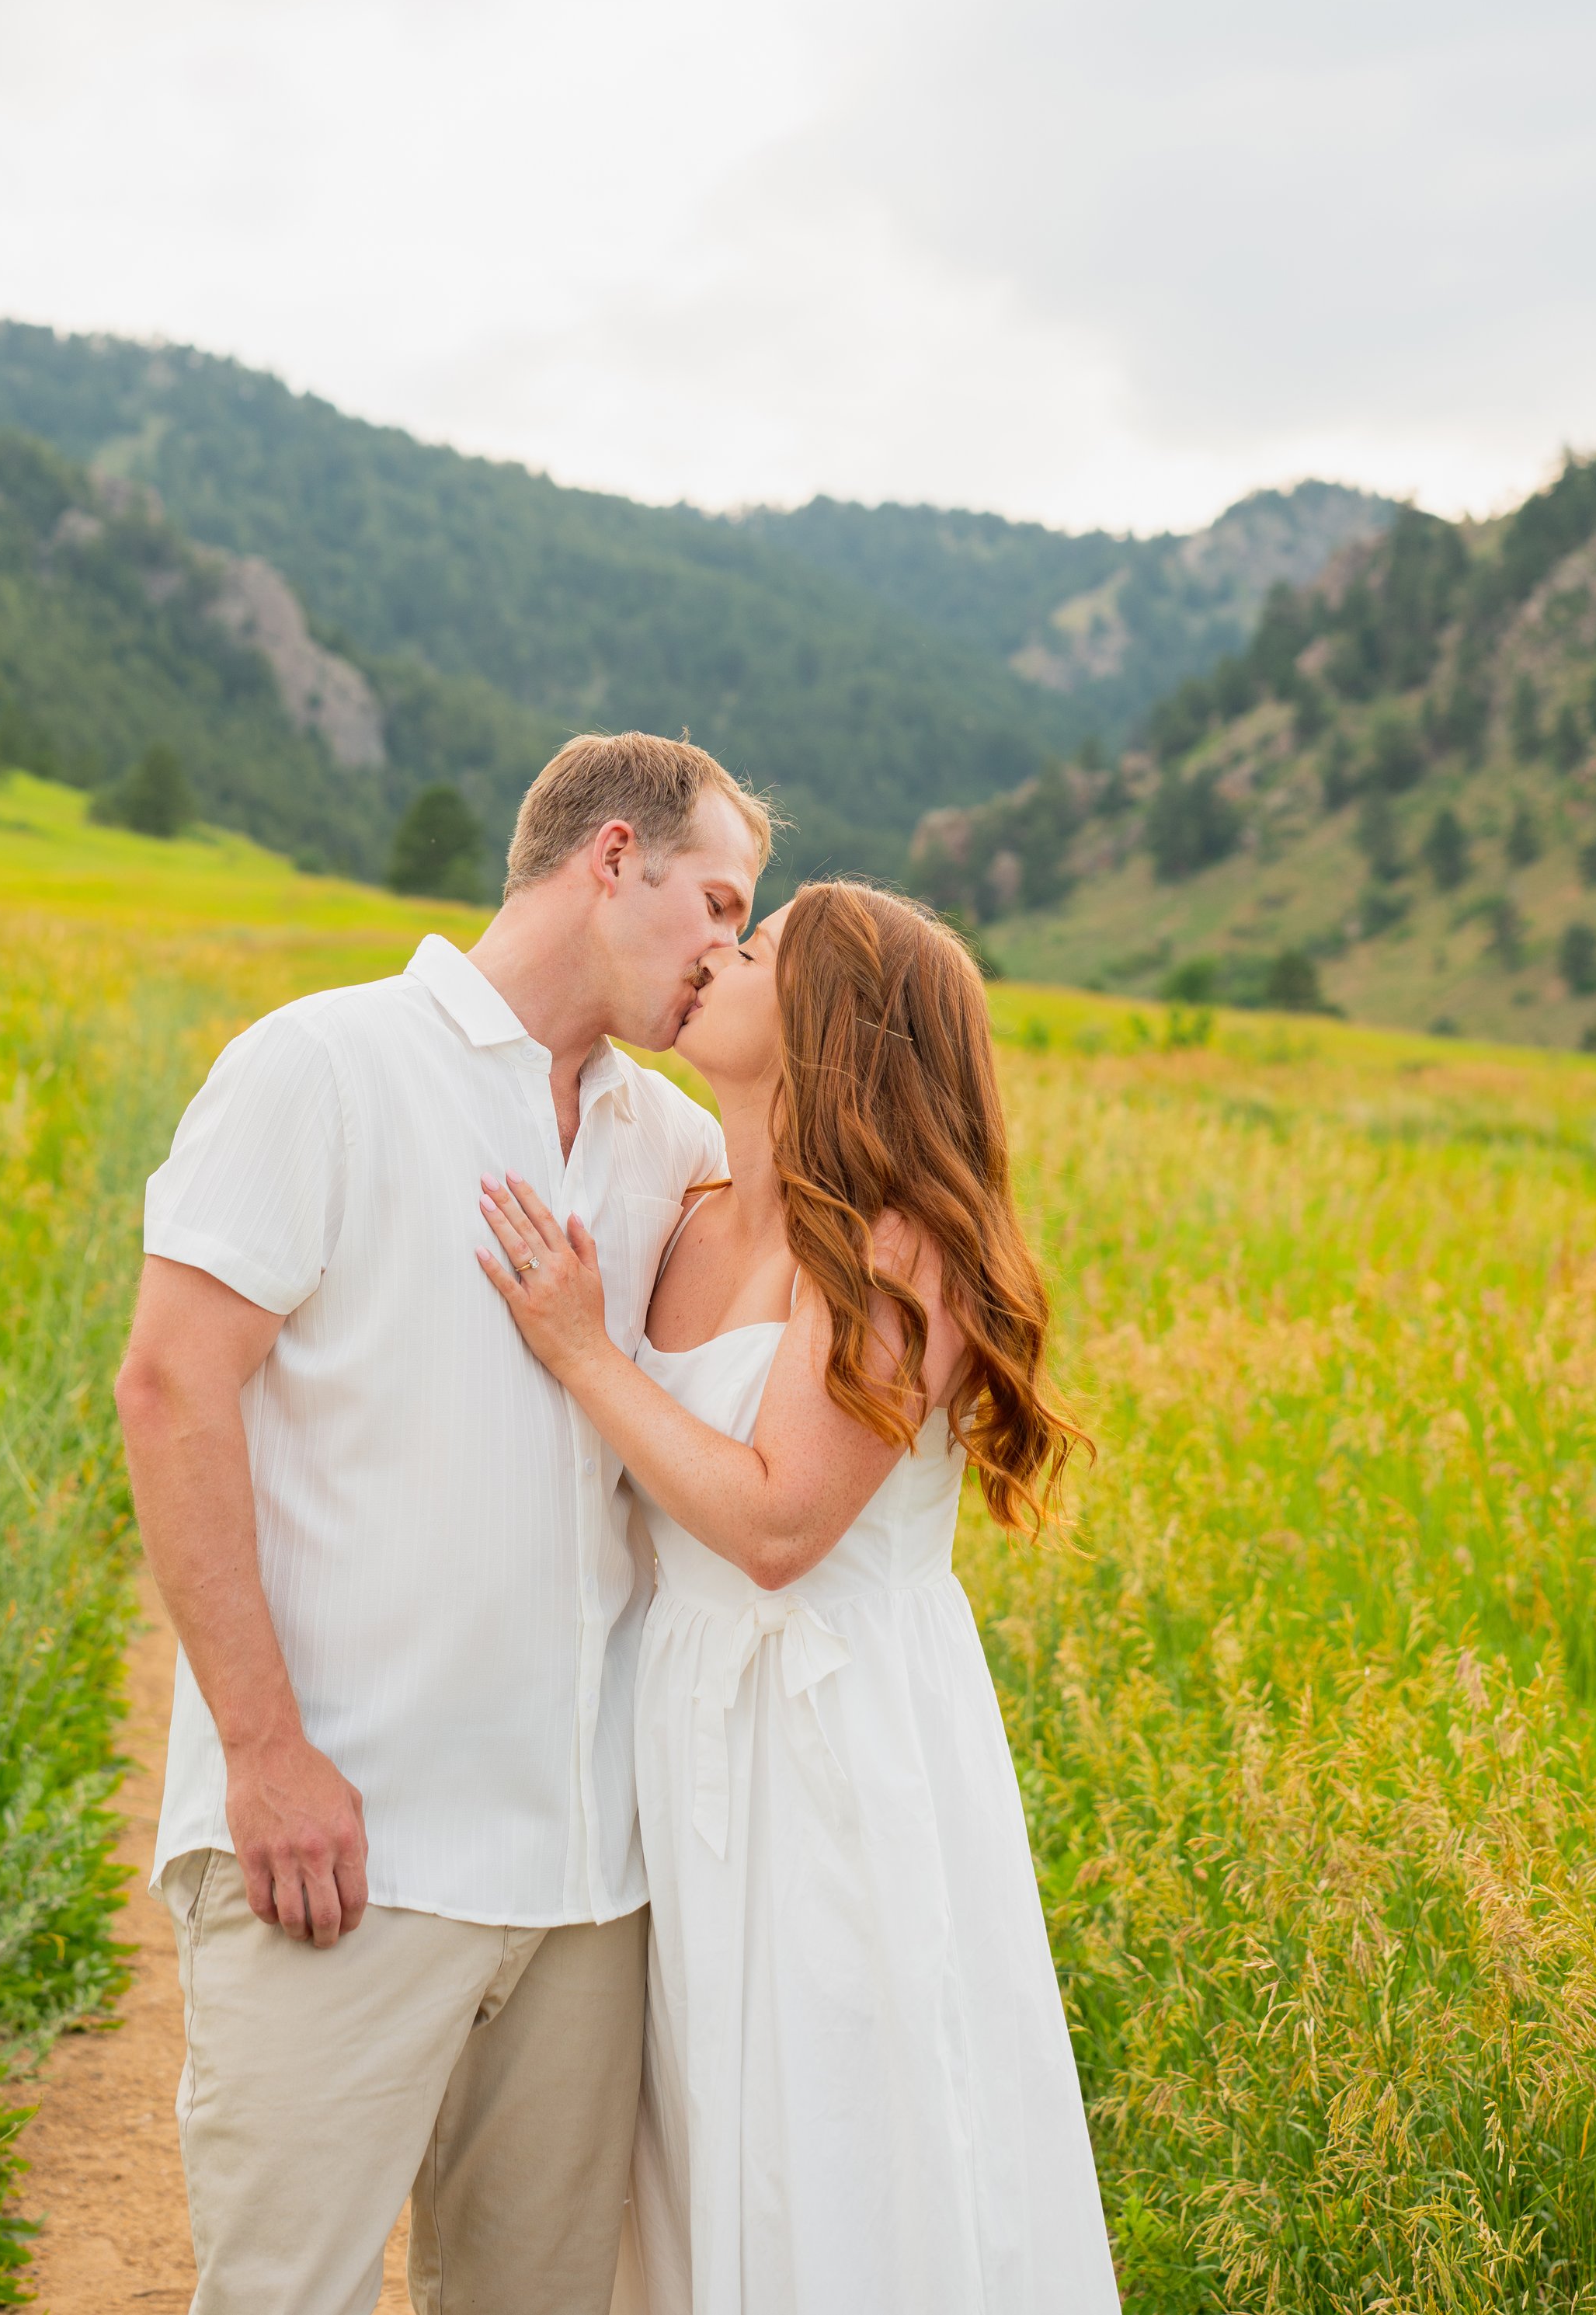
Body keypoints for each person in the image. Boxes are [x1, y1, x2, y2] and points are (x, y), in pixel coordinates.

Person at [113, 732, 773, 2315]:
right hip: (340, 1848)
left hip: (585, 1889)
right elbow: (169, 1390)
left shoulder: (668, 1147)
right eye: (719, 900)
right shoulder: (320, 1065)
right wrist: (265, 1753)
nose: (727, 953)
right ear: (611, 857)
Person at [478, 882, 1121, 2315]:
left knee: (841, 2123)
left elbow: (779, 1524)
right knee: (700, 2128)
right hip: (682, 1716)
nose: (717, 953)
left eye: (755, 948)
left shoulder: (900, 1250)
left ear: (829, 1023)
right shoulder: (693, 1213)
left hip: (833, 1743)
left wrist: (588, 1357)